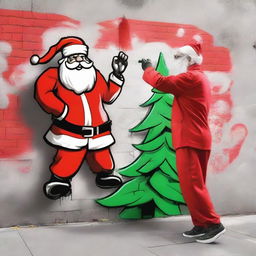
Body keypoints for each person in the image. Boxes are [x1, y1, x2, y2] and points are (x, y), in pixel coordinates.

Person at [139, 41, 225, 244]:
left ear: (189, 59)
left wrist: (148, 69)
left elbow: (162, 83)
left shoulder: (192, 77)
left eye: (179, 57)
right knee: (193, 185)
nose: (176, 60)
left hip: (190, 139)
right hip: (196, 138)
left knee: (192, 185)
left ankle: (213, 224)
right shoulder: (198, 78)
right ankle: (201, 224)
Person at [31, 36, 128, 200]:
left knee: (101, 155)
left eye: (82, 57)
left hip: (98, 131)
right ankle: (59, 181)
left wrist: (117, 74)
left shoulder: (94, 75)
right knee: (68, 157)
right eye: (74, 57)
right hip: (70, 130)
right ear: (66, 58)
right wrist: (62, 110)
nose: (79, 61)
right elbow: (42, 93)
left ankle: (104, 175)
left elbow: (107, 96)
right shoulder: (54, 75)